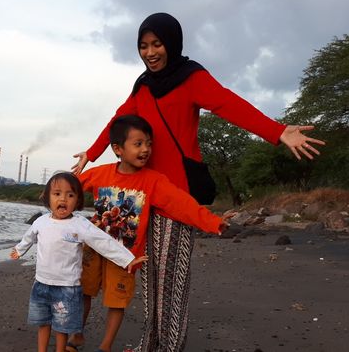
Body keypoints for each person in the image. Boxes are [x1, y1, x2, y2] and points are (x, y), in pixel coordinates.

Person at [71, 12, 325, 351]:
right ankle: (152, 343)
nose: (150, 52)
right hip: (142, 195)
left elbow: (229, 104)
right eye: (143, 46)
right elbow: (118, 121)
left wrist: (277, 132)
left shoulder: (191, 78)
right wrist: (92, 152)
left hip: (177, 195)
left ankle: (170, 346)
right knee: (149, 279)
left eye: (157, 44)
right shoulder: (143, 86)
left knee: (172, 281)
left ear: (172, 43)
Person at [73, 114, 234, 352]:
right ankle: (77, 335)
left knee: (117, 302)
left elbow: (183, 204)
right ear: (118, 149)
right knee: (83, 292)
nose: (146, 149)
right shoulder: (100, 174)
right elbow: (70, 186)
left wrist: (214, 222)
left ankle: (105, 346)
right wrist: (52, 196)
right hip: (93, 248)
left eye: (148, 143)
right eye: (138, 144)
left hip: (125, 255)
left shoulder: (154, 181)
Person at [11, 172, 148, 352]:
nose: (63, 199)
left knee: (62, 327)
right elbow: (28, 238)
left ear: (77, 200)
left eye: (70, 195)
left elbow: (102, 241)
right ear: (47, 198)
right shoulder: (40, 222)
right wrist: (19, 250)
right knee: (43, 323)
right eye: (57, 194)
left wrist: (127, 259)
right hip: (41, 284)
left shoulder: (79, 224)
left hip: (67, 288)